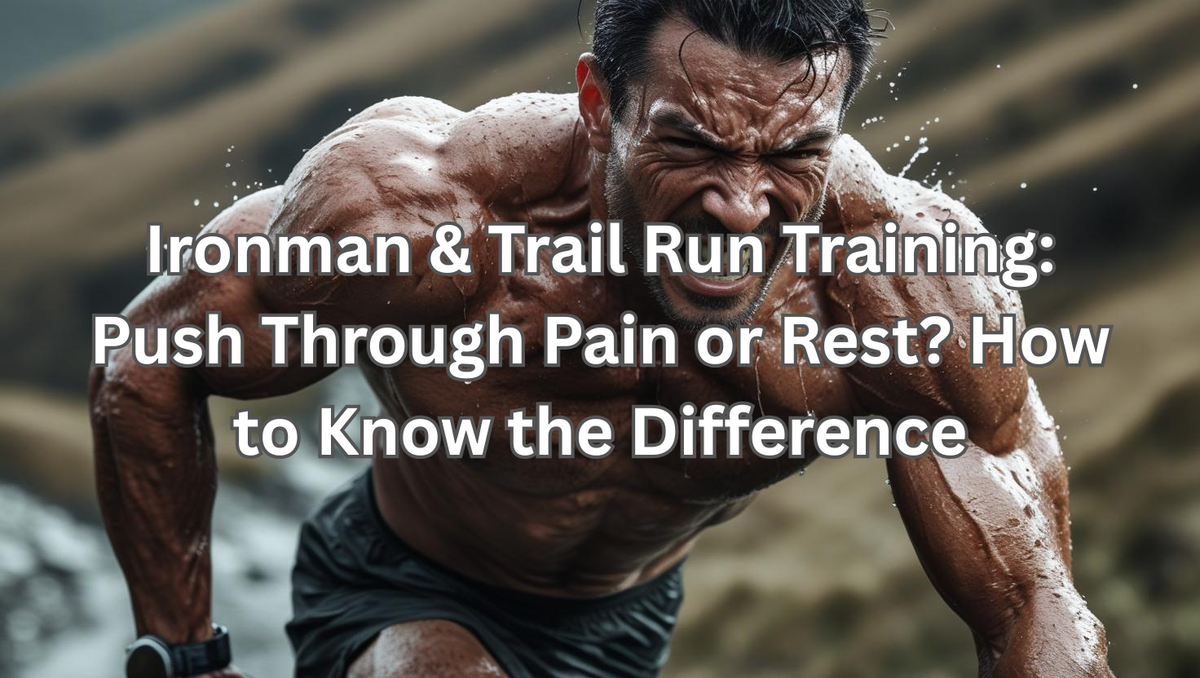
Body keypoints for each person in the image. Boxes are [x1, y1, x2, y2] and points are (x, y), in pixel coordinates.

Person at [89, 1, 1113, 676]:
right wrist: (182, 654)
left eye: (792, 156)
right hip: (403, 575)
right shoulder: (426, 216)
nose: (741, 207)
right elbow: (148, 360)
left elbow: (1034, 602)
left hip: (628, 618)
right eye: (689, 145)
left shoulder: (894, 295)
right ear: (598, 105)